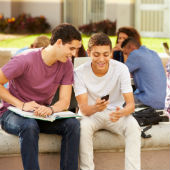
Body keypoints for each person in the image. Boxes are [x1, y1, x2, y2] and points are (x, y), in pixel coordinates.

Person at [0, 23, 82, 170]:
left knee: (73, 125)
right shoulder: (25, 59)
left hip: (40, 115)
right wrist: (21, 104)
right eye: (71, 48)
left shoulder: (66, 65)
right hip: (12, 113)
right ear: (58, 43)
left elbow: (64, 101)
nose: (74, 53)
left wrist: (50, 109)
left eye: (76, 49)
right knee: (29, 126)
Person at [74, 33, 141, 170]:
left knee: (133, 126)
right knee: (83, 128)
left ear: (111, 53)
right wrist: (96, 108)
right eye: (96, 54)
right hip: (91, 115)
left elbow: (131, 105)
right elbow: (84, 109)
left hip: (115, 114)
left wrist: (122, 112)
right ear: (89, 53)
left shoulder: (121, 69)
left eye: (106, 54)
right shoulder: (79, 72)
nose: (101, 59)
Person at [122, 37, 166, 109]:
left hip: (147, 100)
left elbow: (121, 72)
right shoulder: (153, 53)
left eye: (126, 53)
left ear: (131, 47)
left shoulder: (135, 54)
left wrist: (112, 53)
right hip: (161, 101)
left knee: (117, 103)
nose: (127, 56)